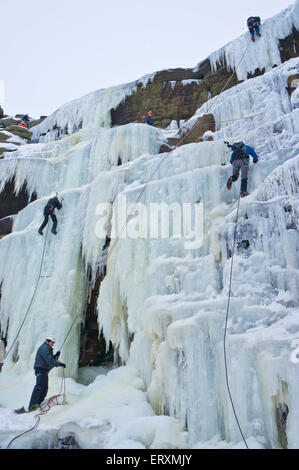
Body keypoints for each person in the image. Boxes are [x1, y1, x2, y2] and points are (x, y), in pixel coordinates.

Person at [15, 335, 65, 413]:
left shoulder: (47, 349)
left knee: (44, 388)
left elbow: (50, 360)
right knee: (39, 387)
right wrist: (59, 364)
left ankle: (37, 404)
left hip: (44, 371)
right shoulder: (44, 348)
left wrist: (56, 356)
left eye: (54, 343)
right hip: (41, 370)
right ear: (48, 341)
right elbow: (49, 361)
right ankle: (32, 405)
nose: (53, 344)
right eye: (52, 342)